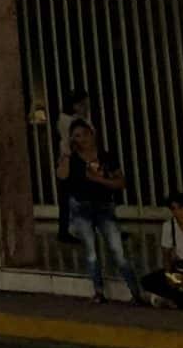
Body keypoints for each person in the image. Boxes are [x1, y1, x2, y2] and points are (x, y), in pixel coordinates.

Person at [57, 119, 141, 305]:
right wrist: (66, 155)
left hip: (103, 206)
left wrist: (99, 180)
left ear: (92, 134)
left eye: (85, 134)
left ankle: (135, 292)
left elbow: (121, 182)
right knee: (91, 252)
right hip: (81, 207)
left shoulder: (106, 157)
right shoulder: (73, 158)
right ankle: (98, 291)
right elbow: (62, 176)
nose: (83, 139)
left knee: (117, 251)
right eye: (77, 136)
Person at [52, 88, 93, 244]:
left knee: (68, 197)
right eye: (83, 104)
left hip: (69, 160)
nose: (86, 107)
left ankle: (66, 230)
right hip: (72, 161)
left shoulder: (67, 119)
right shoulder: (70, 121)